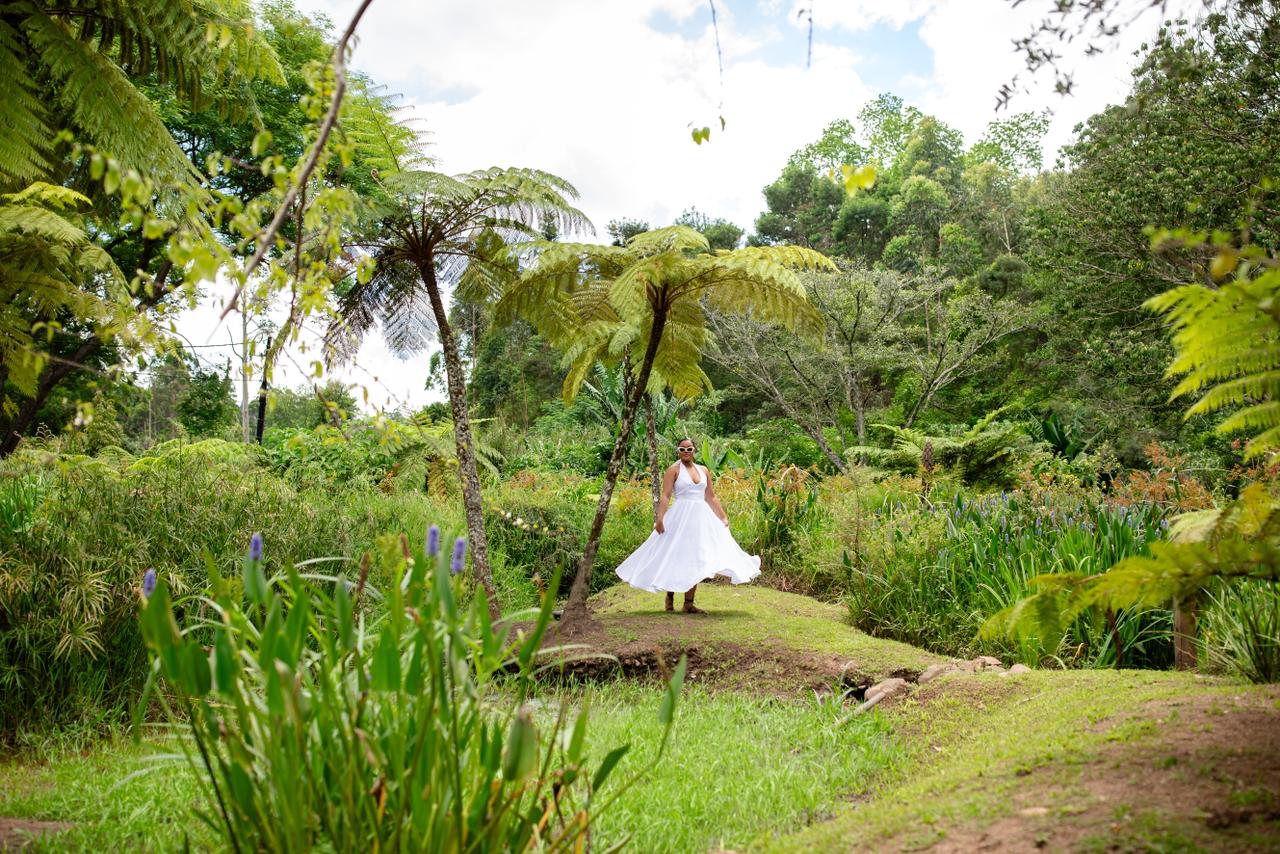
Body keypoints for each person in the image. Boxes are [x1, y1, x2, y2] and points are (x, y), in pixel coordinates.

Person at [614, 437, 760, 613]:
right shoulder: (673, 470)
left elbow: (710, 496)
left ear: (694, 451)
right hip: (680, 516)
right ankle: (670, 596)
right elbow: (666, 495)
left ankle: (688, 603)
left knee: (696, 556)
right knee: (675, 553)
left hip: (700, 517)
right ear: (678, 451)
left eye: (689, 449)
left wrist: (722, 516)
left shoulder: (704, 470)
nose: (685, 452)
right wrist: (660, 519)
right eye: (682, 449)